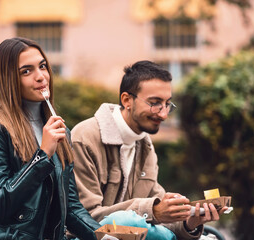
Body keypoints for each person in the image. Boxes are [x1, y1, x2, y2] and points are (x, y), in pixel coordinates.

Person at [71, 60, 228, 240]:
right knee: (131, 222)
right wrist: (151, 211)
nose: (163, 114)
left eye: (167, 104)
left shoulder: (145, 146)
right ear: (127, 100)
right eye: (155, 103)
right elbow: (82, 218)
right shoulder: (85, 137)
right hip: (87, 236)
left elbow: (159, 211)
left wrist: (189, 222)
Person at [0, 37, 101, 240]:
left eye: (43, 66)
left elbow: (71, 209)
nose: (41, 77)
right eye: (26, 71)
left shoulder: (60, 131)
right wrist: (42, 155)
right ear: (8, 79)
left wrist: (103, 236)